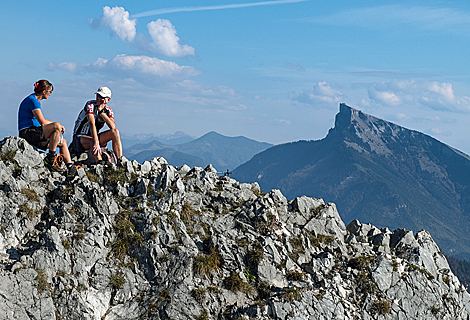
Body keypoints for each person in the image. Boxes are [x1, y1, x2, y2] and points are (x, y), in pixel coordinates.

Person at [18, 80, 74, 173]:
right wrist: (57, 126)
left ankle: (70, 167)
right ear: (44, 92)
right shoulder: (33, 100)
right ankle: (51, 158)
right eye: (49, 92)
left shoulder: (34, 100)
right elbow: (43, 123)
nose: (50, 94)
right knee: (56, 126)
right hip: (28, 133)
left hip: (35, 133)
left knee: (63, 142)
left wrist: (58, 125)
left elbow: (42, 120)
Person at [71, 86, 122, 164]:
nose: (98, 98)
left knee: (115, 132)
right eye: (97, 96)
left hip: (93, 137)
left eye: (101, 97)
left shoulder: (108, 111)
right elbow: (92, 123)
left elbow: (112, 126)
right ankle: (100, 163)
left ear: (108, 99)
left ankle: (119, 161)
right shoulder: (90, 105)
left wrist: (101, 112)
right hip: (80, 137)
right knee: (92, 141)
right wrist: (96, 142)